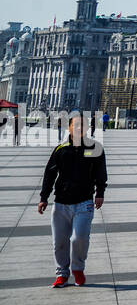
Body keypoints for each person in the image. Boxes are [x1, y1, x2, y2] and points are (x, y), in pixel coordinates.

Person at [38, 114, 107, 288]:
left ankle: (78, 269)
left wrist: (100, 192)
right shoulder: (61, 149)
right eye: (75, 125)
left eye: (82, 125)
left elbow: (100, 172)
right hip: (61, 203)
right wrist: (43, 198)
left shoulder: (95, 148)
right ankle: (62, 273)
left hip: (84, 202)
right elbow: (50, 174)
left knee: (79, 239)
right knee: (59, 242)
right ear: (69, 128)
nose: (79, 128)